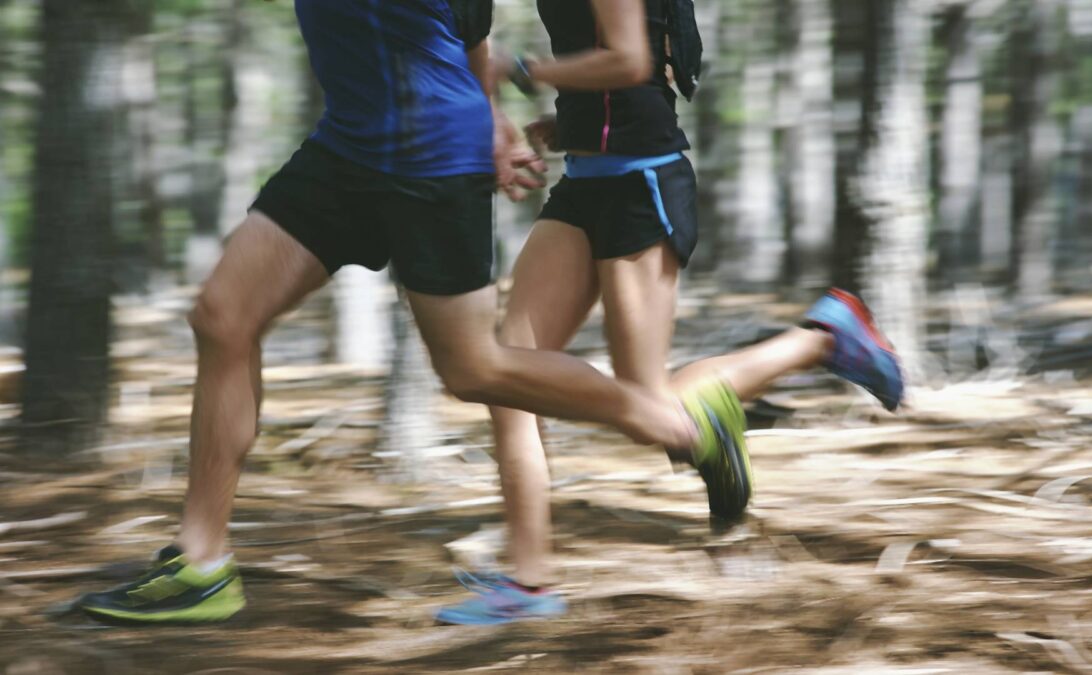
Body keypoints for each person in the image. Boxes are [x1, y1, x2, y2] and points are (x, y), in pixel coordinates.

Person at [77, 0, 749, 624]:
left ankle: (684, 428)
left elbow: (472, 33)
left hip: (429, 151)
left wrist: (486, 120)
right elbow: (470, 32)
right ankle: (203, 563)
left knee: (474, 368)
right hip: (346, 144)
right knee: (221, 316)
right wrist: (498, 121)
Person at [432, 0, 904, 625]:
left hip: (642, 183)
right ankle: (529, 580)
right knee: (507, 378)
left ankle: (824, 337)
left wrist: (519, 68)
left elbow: (630, 59)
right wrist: (567, 120)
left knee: (645, 409)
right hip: (587, 180)